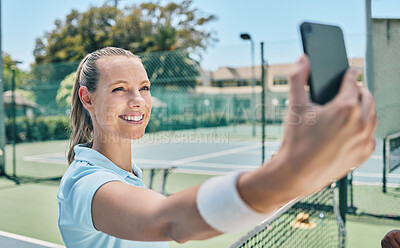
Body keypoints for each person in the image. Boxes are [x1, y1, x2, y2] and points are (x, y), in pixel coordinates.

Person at [57, 47, 377, 247]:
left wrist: (307, 173)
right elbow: (167, 221)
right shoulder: (86, 184)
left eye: (144, 88)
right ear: (88, 98)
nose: (138, 101)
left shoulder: (126, 177)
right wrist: (289, 172)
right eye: (119, 89)